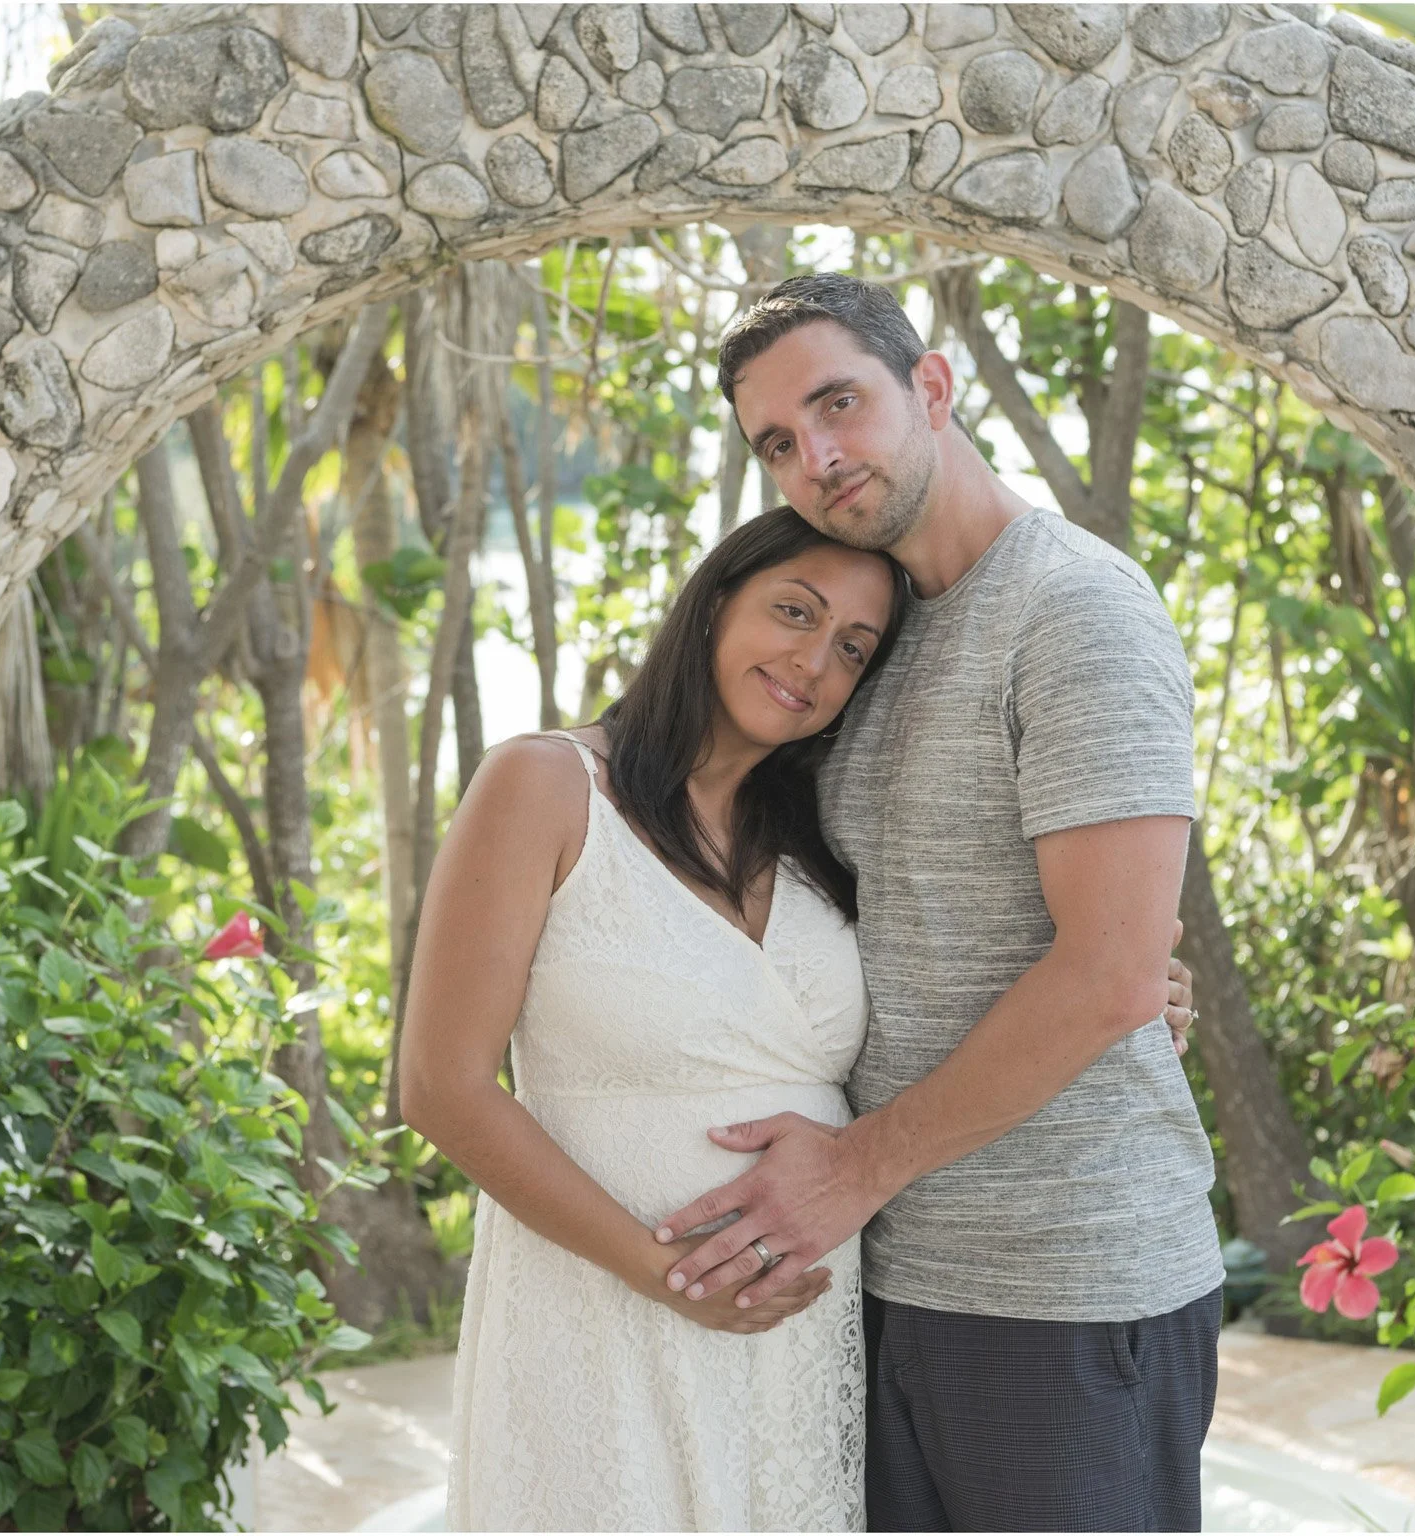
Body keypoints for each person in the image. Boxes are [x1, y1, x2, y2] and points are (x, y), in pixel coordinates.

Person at [400, 503, 1199, 1528]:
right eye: (793, 611)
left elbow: (975, 974)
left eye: (852, 649)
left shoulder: (819, 836)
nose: (814, 660)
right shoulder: (544, 786)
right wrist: (661, 1272)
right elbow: (441, 1089)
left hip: (798, 1344)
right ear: (712, 603)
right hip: (596, 1310)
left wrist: (1130, 982)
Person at [650, 273, 1225, 1533]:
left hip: (1066, 1286)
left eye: (839, 403)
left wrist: (851, 1170)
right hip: (891, 1279)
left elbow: (1110, 972)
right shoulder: (877, 634)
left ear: (932, 385)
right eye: (778, 445)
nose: (818, 458)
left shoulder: (1075, 610)